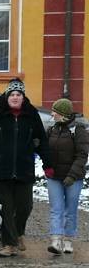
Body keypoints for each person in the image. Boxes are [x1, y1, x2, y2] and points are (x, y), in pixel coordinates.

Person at [0, 79, 53, 257]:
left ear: (23, 97)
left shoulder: (31, 114)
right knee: (6, 208)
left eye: (18, 94)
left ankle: (18, 233)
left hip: (24, 168)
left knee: (25, 206)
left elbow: (42, 141)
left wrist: (48, 164)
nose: (14, 97)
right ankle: (9, 244)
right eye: (11, 94)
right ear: (6, 96)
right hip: (1, 169)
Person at [45, 98, 89, 254]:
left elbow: (82, 155)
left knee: (70, 210)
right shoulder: (52, 128)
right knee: (56, 209)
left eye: (54, 111)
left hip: (73, 178)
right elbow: (46, 151)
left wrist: (72, 175)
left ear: (63, 114)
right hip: (54, 177)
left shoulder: (78, 130)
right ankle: (56, 240)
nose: (52, 114)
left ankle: (69, 239)